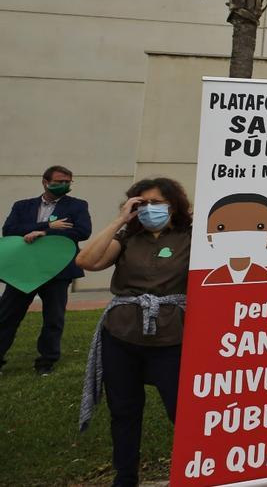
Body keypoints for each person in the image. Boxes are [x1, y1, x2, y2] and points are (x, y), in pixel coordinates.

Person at [75, 177, 192, 487]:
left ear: (173, 204)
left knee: (180, 408)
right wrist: (119, 220)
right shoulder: (127, 237)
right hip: (121, 336)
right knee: (124, 410)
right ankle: (125, 477)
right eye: (141, 204)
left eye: (155, 203)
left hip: (171, 337)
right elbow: (86, 260)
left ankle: (194, 468)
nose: (148, 209)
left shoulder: (189, 238)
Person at [0, 165, 92, 375]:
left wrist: (44, 234)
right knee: (6, 316)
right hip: (24, 270)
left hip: (57, 271)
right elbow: (9, 230)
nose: (64, 185)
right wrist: (45, 227)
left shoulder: (77, 206)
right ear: (45, 181)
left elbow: (83, 231)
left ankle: (46, 362)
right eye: (59, 181)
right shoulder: (22, 206)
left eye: (68, 181)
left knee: (53, 318)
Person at [201, 193, 267, 285]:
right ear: (208, 236)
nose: (240, 233)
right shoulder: (211, 279)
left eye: (260, 226)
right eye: (221, 227)